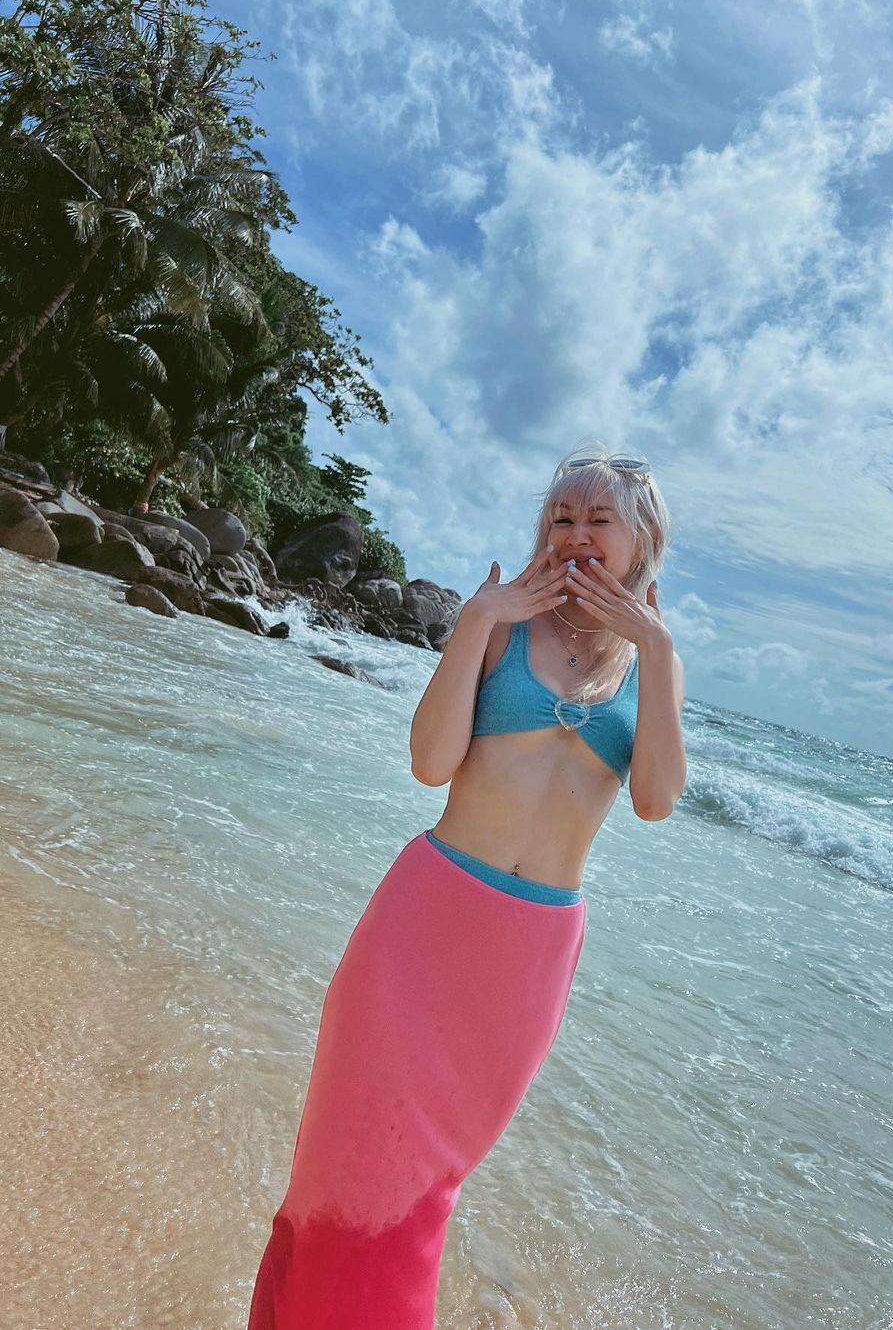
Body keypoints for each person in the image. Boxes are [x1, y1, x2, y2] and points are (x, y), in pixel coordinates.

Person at [247, 443, 687, 1329]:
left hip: (527, 963)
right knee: (345, 1176)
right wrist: (478, 617)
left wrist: (656, 642)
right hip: (423, 924)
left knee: (424, 1191)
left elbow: (654, 799)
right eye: (561, 516)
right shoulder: (503, 627)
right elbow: (429, 762)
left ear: (642, 541)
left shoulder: (651, 663)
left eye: (598, 519)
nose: (576, 533)